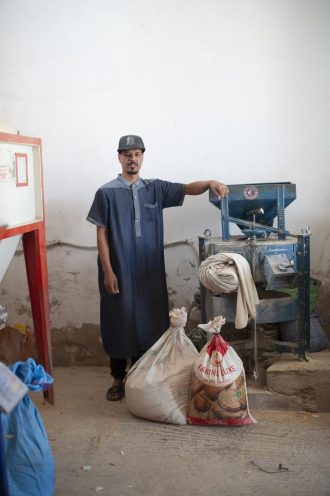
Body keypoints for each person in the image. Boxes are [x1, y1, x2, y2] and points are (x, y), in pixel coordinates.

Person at [87, 135, 229, 401]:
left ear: (142, 157)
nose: (132, 158)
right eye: (127, 154)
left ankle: (140, 376)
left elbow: (188, 188)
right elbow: (101, 234)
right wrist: (107, 270)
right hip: (118, 270)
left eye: (137, 154)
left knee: (149, 320)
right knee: (119, 319)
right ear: (119, 157)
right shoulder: (106, 192)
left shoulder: (156, 189)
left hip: (149, 272)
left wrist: (210, 182)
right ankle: (118, 378)